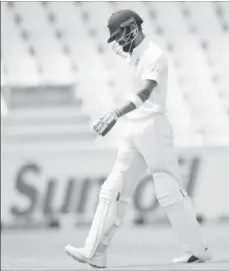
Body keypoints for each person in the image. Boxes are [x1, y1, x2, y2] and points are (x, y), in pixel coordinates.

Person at [64, 9, 211, 268]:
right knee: (112, 190)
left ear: (132, 26)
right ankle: (94, 251)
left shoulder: (155, 55)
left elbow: (146, 91)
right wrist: (122, 116)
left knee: (169, 191)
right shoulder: (131, 57)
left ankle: (197, 250)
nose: (119, 42)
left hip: (154, 126)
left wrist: (116, 112)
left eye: (119, 35)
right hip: (134, 128)